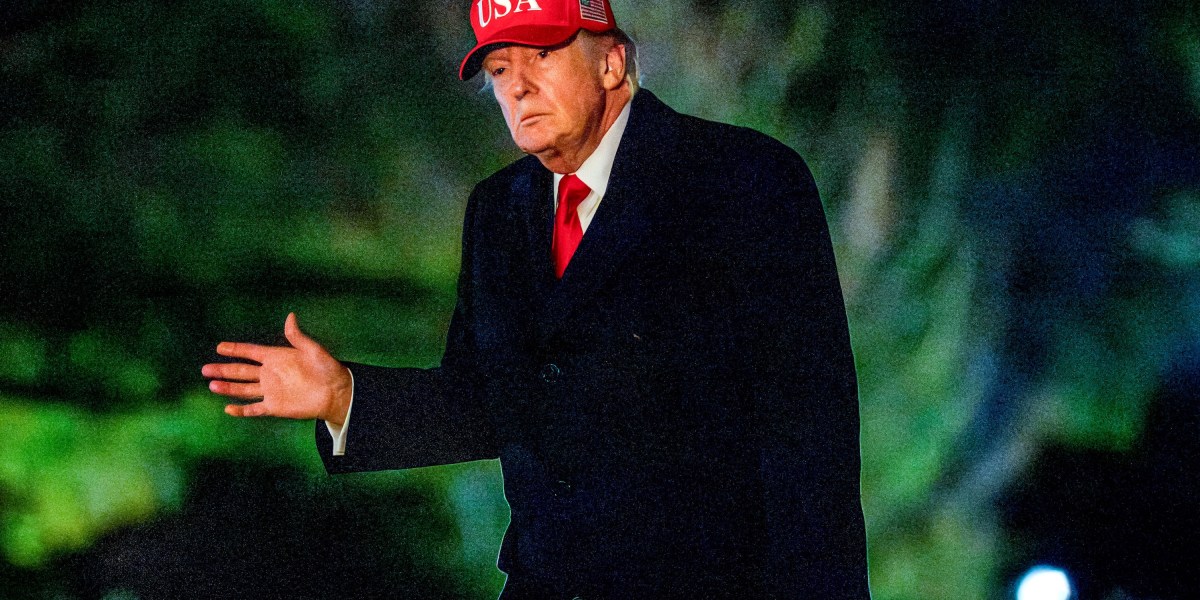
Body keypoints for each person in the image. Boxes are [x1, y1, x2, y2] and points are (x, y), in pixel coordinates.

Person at [203, 1, 871, 598]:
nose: (517, 85)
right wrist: (345, 397)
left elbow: (810, 435)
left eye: (541, 56)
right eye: (499, 69)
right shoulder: (498, 211)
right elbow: (486, 404)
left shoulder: (745, 181)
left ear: (612, 62)